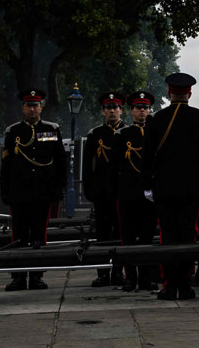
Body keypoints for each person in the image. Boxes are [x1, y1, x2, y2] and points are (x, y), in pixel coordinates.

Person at [142, 72, 199, 300]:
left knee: (167, 237)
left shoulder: (156, 119)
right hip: (192, 187)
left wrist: (147, 186)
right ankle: (186, 287)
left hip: (164, 188)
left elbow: (146, 157)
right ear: (190, 94)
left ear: (168, 93)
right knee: (188, 236)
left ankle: (169, 286)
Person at [0, 88, 68, 291]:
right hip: (19, 192)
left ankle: (37, 276)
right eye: (28, 105)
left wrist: (59, 188)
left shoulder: (52, 129)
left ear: (41, 107)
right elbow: (7, 165)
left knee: (40, 234)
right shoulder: (13, 132)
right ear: (23, 107)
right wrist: (6, 192)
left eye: (35, 105)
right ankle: (18, 277)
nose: (32, 109)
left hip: (43, 191)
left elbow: (60, 162)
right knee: (19, 235)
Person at [115, 90, 158, 291]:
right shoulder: (122, 134)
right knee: (129, 238)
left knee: (148, 237)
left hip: (149, 194)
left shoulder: (155, 132)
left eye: (146, 108)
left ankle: (146, 278)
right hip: (128, 193)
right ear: (131, 110)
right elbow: (114, 166)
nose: (143, 111)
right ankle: (130, 278)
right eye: (139, 108)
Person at [83, 91, 126, 287]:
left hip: (122, 191)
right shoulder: (95, 134)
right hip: (102, 192)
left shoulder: (128, 131)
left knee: (120, 233)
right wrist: (89, 189)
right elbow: (87, 165)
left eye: (115, 108)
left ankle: (118, 272)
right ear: (103, 112)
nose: (112, 111)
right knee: (101, 234)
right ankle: (102, 273)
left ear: (121, 110)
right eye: (108, 108)